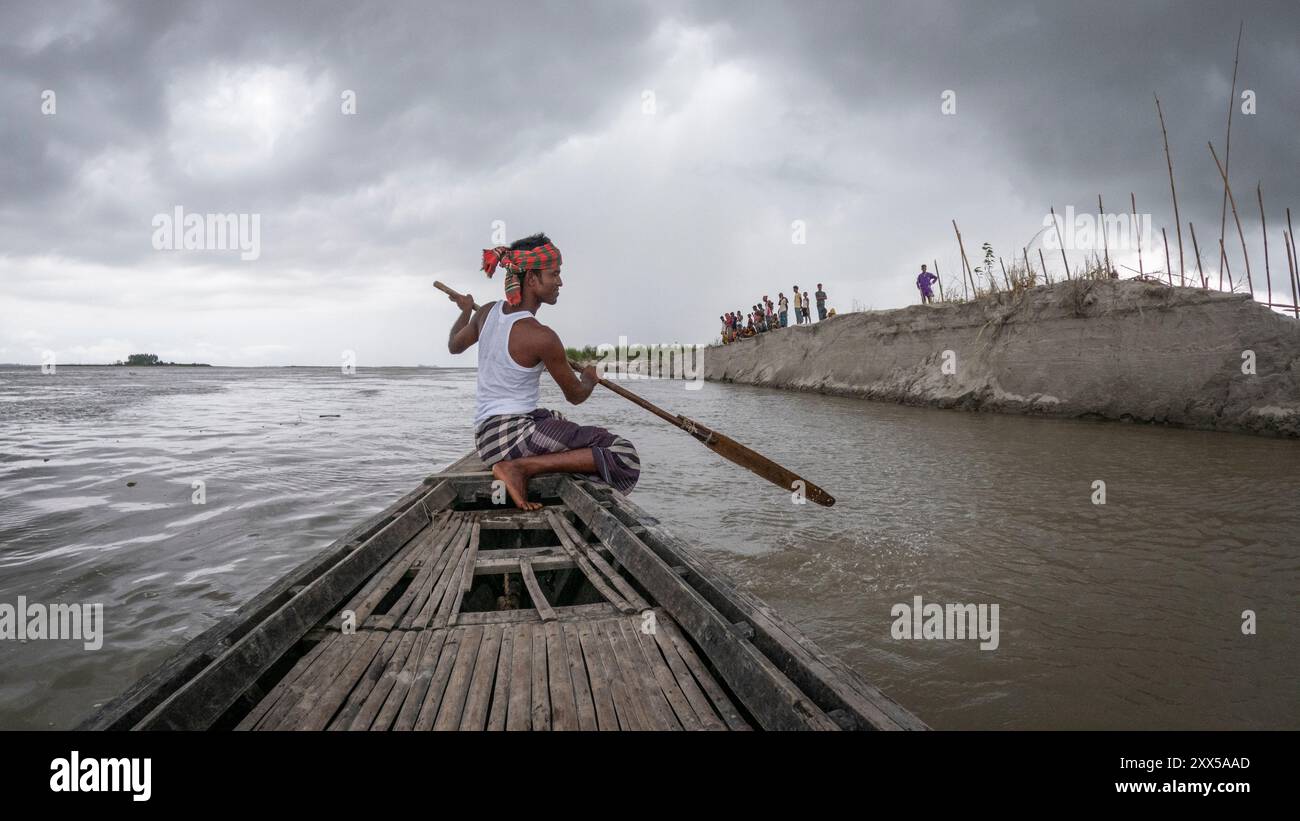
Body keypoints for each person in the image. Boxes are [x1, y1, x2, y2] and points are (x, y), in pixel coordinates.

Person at [447, 232, 640, 510]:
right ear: (532, 280)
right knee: (624, 454)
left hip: (485, 436)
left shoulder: (486, 312)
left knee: (554, 417)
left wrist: (466, 311)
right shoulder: (543, 337)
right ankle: (519, 469)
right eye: (554, 274)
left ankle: (520, 465)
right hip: (508, 440)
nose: (560, 282)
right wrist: (588, 378)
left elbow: (454, 345)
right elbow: (575, 395)